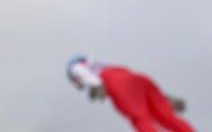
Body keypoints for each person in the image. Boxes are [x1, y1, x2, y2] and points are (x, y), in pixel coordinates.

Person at [66, 55, 195, 132]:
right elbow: (136, 87)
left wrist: (96, 85)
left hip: (119, 87)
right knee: (164, 115)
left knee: (140, 119)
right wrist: (165, 98)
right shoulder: (104, 65)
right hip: (139, 79)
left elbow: (81, 72)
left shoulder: (76, 66)